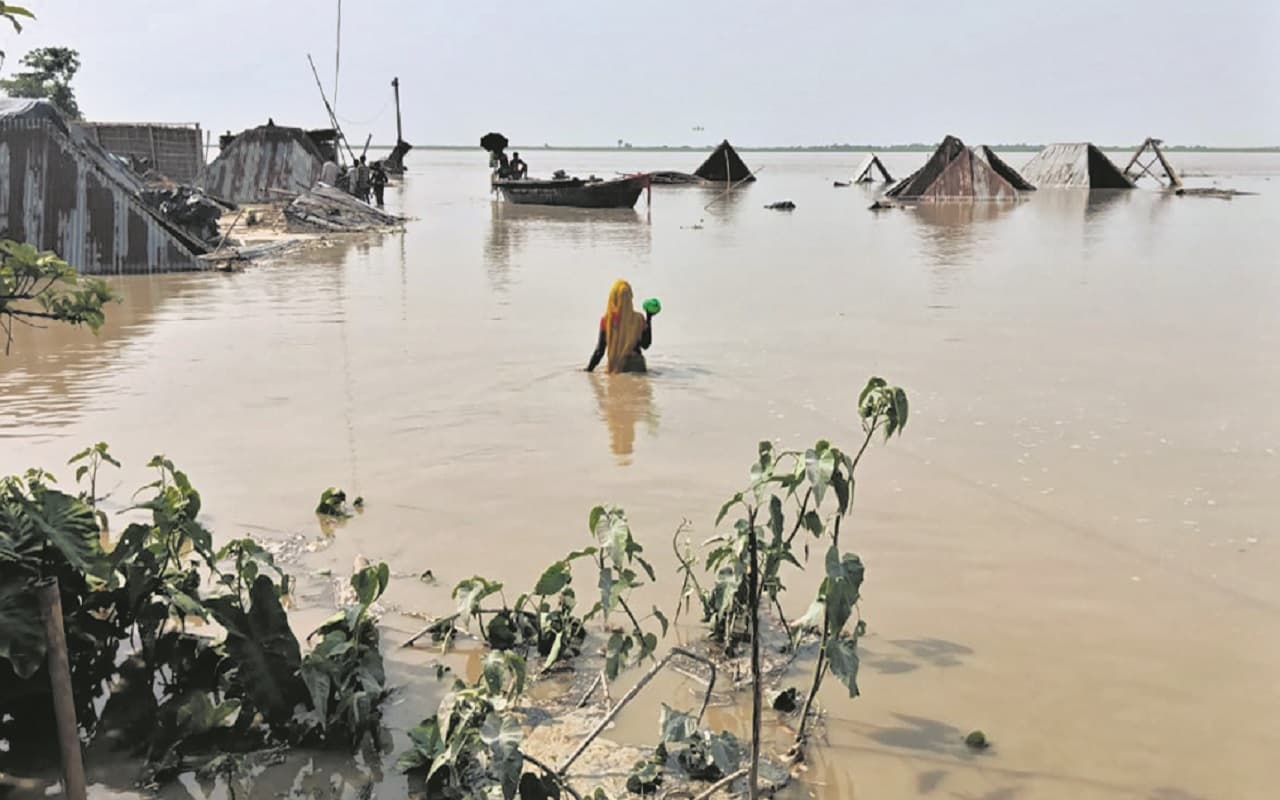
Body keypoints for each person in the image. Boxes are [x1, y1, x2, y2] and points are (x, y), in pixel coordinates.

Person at [586, 280, 654, 373]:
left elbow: (600, 351)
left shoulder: (607, 320)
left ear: (613, 298)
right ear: (630, 297)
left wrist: (588, 370)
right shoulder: (639, 319)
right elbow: (645, 345)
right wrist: (649, 318)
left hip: (617, 366)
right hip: (637, 365)